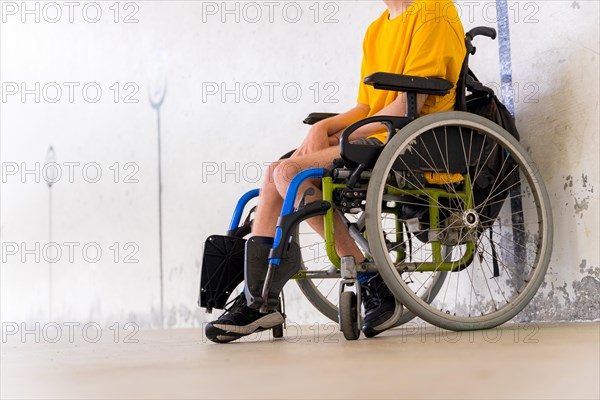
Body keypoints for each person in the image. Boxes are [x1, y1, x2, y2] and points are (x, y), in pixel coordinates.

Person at [206, 0, 466, 343]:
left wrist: (340, 136)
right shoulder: (378, 29)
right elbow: (365, 106)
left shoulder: (434, 9)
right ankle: (260, 300)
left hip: (416, 138)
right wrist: (324, 128)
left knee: (289, 174)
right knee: (275, 172)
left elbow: (407, 104)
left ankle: (371, 280)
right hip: (381, 133)